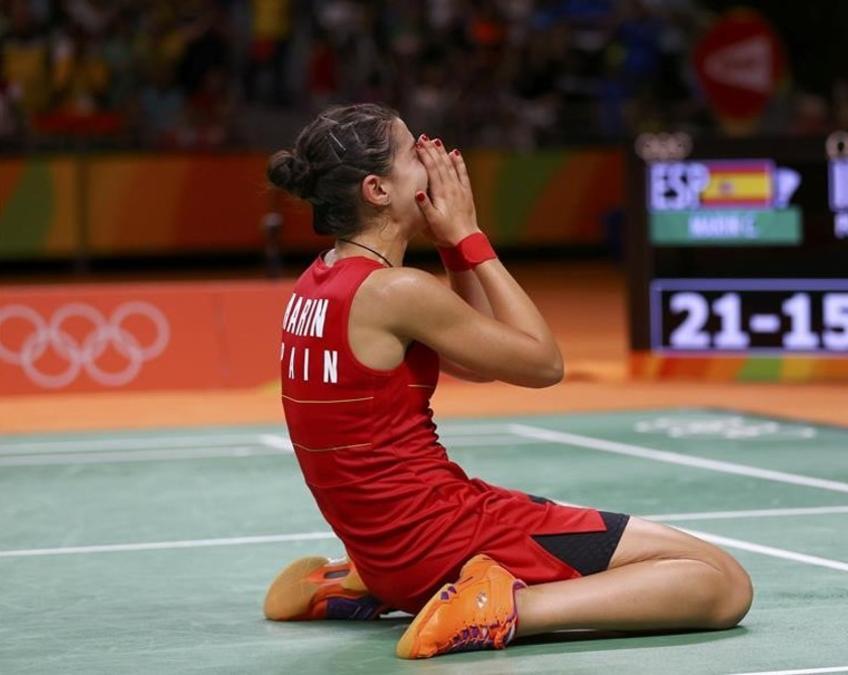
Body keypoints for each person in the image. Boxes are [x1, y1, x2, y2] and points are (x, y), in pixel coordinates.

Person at [261, 103, 752, 659]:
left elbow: (473, 361)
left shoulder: (320, 281)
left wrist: (449, 247)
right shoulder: (395, 292)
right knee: (719, 581)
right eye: (414, 151)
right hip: (449, 539)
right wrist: (471, 236)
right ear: (377, 190)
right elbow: (544, 364)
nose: (435, 156)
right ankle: (503, 607)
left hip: (393, 553)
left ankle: (357, 585)